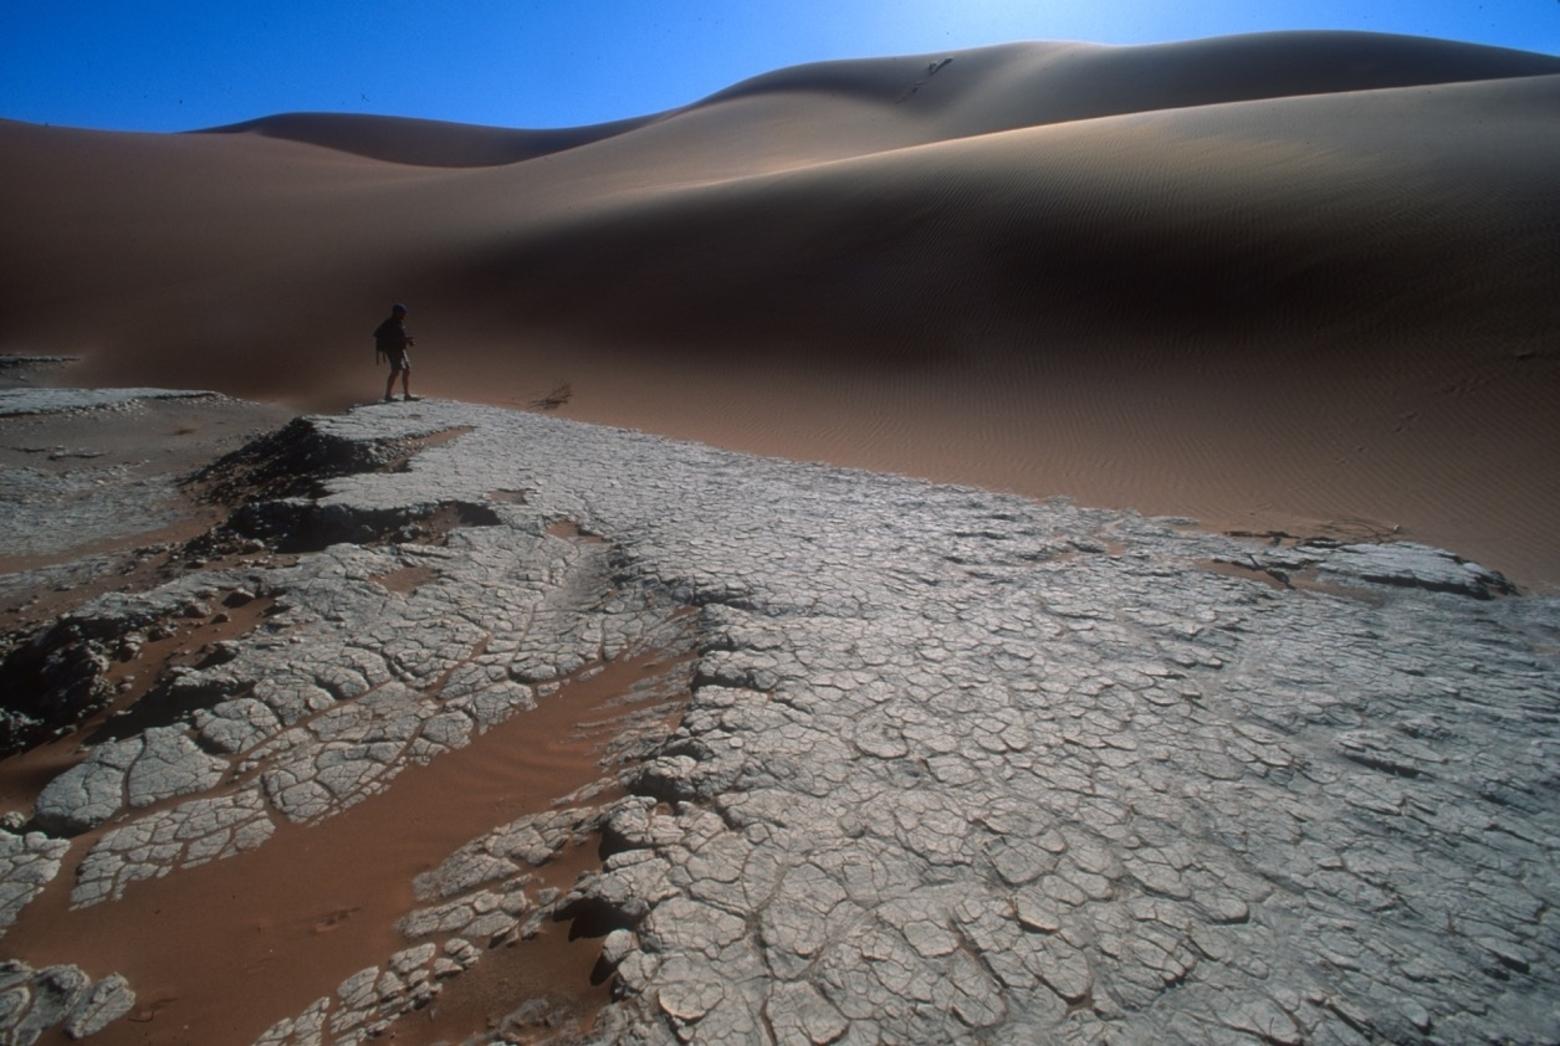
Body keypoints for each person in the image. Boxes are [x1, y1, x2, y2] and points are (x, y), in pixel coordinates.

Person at [374, 303, 418, 402]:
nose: (404, 314)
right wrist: (404, 339)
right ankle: (388, 395)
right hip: (393, 350)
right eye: (402, 312)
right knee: (395, 371)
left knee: (407, 370)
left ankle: (406, 395)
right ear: (396, 312)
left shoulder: (399, 322)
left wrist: (407, 340)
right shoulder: (390, 323)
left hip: (400, 349)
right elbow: (391, 337)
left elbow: (398, 336)